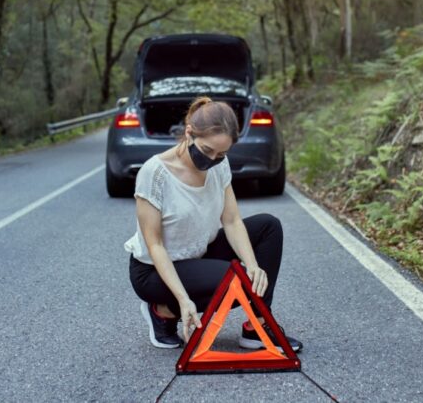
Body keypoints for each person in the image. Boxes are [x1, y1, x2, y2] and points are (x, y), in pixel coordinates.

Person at [124, 96, 302, 352]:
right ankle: (163, 311)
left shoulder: (219, 164)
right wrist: (184, 301)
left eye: (222, 154)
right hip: (154, 270)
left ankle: (258, 325)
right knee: (236, 281)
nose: (213, 159)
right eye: (207, 151)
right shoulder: (155, 174)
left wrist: (253, 265)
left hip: (198, 253)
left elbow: (231, 220)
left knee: (268, 227)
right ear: (189, 133)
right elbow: (155, 244)